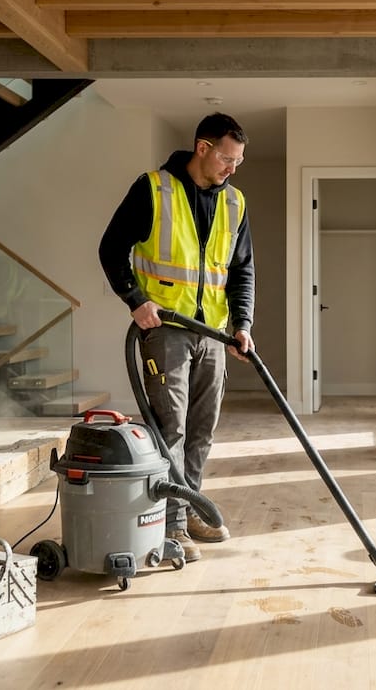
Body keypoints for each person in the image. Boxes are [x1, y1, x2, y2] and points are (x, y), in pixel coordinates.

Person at [98, 113, 255, 563]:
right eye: (227, 158)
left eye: (239, 161)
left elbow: (242, 270)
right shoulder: (153, 189)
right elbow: (111, 248)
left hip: (213, 335)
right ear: (202, 148)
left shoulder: (235, 203)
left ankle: (190, 510)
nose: (232, 169)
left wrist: (241, 325)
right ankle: (171, 524)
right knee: (172, 428)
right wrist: (135, 299)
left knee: (202, 431)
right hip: (166, 330)